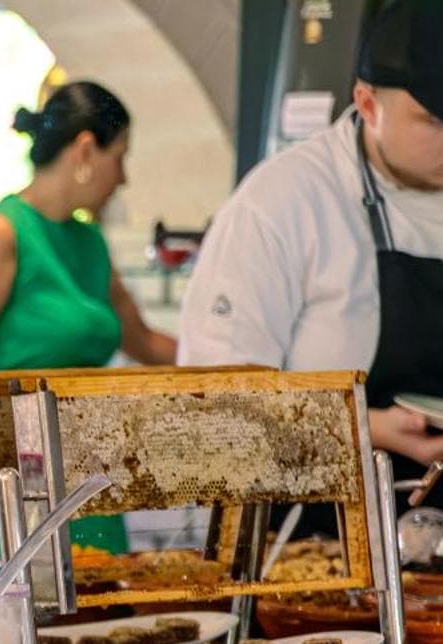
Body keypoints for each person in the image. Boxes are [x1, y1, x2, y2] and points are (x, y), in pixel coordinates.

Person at [178, 0, 443, 494]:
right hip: (313, 527)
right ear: (367, 104)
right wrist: (358, 427)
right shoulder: (282, 203)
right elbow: (211, 409)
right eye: (433, 120)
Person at [0, 82, 178, 573]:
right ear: (85, 149)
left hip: (87, 482)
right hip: (2, 486)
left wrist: (245, 354)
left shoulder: (90, 244)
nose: (123, 178)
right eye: (119, 158)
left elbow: (148, 343)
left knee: (102, 611)